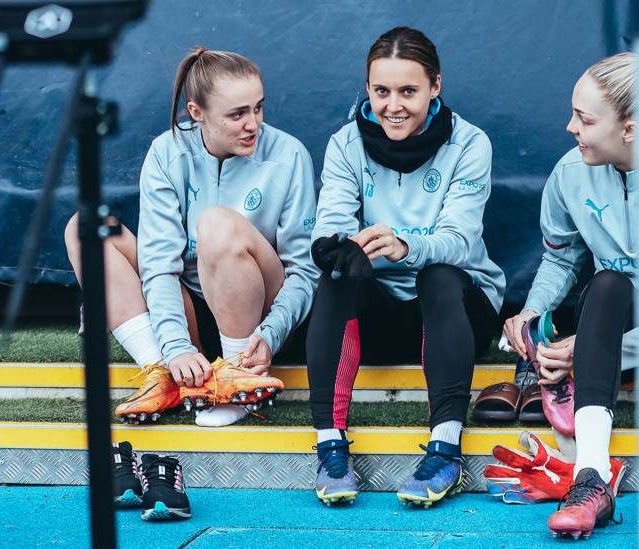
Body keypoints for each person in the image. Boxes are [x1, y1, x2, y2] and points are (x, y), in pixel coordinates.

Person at [63, 47, 318, 428]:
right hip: (190, 316)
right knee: (85, 228)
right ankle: (163, 373)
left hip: (258, 323)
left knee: (216, 223)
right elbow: (159, 266)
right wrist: (175, 348)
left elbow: (305, 272)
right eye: (237, 114)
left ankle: (235, 378)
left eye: (258, 108)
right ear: (197, 113)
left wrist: (271, 332)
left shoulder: (289, 154)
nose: (253, 124)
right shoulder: (167, 152)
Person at [307, 27, 506, 508]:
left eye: (408, 91)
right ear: (368, 89)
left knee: (437, 275)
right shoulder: (345, 143)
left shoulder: (470, 144)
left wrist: (403, 246)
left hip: (454, 308)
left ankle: (445, 449)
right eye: (381, 91)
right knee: (335, 276)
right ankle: (329, 448)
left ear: (435, 87)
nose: (393, 105)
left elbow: (459, 243)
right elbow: (328, 226)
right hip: (380, 311)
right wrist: (340, 248)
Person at [501, 53, 639, 539]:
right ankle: (591, 480)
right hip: (615, 313)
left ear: (630, 128)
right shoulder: (571, 172)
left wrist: (587, 348)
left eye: (584, 119)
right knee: (608, 284)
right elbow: (562, 259)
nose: (570, 127)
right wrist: (533, 312)